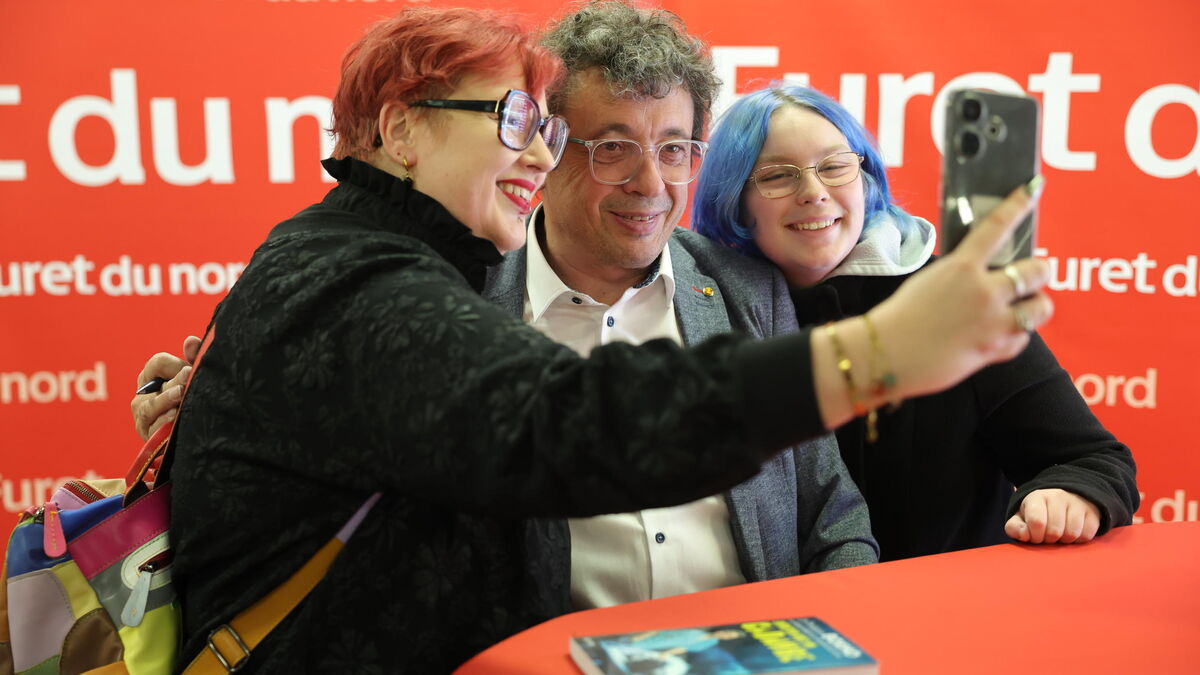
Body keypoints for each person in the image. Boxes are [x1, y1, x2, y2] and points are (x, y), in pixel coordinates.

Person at [143, 7, 1049, 673]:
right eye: (585, 140)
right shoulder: (383, 281)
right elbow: (569, 423)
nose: (535, 157)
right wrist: (876, 351)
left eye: (676, 147)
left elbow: (828, 513)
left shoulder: (390, 264)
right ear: (400, 130)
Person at [692, 85, 1138, 562]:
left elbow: (1093, 461)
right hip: (773, 624)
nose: (815, 194)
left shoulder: (953, 300)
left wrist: (1065, 497)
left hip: (938, 616)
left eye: (835, 166)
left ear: (865, 178)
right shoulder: (705, 312)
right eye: (778, 176)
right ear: (734, 202)